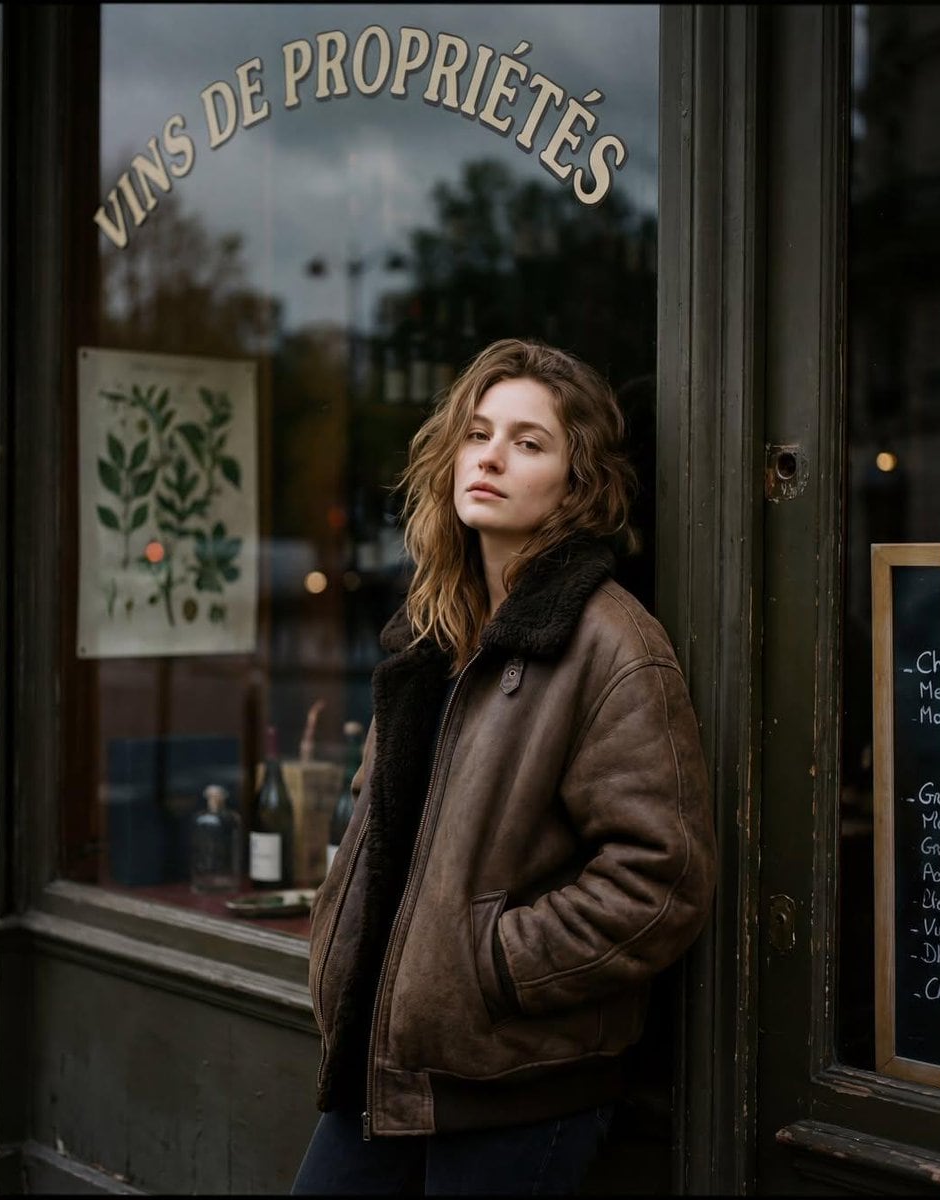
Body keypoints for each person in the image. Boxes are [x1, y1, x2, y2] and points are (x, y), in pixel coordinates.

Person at [292, 338, 717, 1195]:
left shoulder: (611, 644)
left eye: (528, 442)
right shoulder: (430, 632)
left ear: (577, 481)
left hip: (516, 1090)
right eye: (478, 433)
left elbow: (660, 881)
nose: (489, 456)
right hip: (385, 1066)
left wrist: (490, 961)